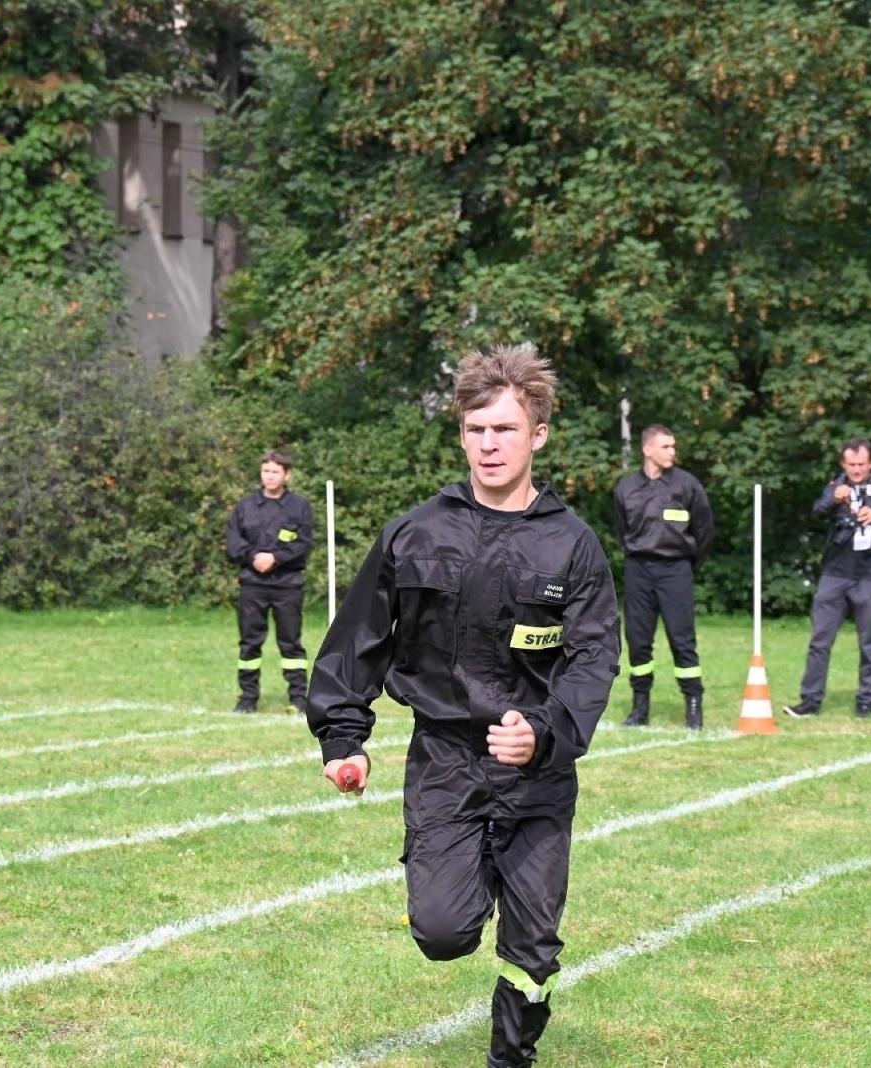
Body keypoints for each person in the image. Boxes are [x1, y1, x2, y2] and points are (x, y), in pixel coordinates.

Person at [305, 342, 619, 1068]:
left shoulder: (572, 547)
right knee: (443, 932)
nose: (489, 444)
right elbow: (357, 640)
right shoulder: (415, 532)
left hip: (536, 776)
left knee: (533, 942)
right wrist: (342, 737)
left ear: (537, 434)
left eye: (504, 429)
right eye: (476, 429)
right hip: (445, 761)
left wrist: (542, 733)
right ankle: (459, 862)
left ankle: (511, 1059)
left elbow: (592, 659)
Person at [783, 438, 871, 719]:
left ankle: (866, 702)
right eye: (851, 465)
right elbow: (817, 511)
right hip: (835, 574)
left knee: (868, 643)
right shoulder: (836, 486)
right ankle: (810, 701)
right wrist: (833, 500)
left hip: (870, 575)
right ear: (843, 464)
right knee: (819, 640)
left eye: (861, 464)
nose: (856, 470)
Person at [611, 424, 715, 729]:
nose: (673, 452)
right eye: (666, 446)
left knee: (682, 639)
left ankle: (693, 706)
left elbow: (706, 531)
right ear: (647, 449)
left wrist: (687, 566)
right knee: (638, 641)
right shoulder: (626, 488)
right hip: (638, 571)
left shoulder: (687, 485)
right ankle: (639, 707)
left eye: (673, 446)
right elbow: (621, 531)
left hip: (676, 570)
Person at [225, 450, 314, 714]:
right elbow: (233, 542)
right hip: (253, 583)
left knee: (290, 643)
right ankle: (247, 698)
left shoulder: (299, 507)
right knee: (250, 641)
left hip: (288, 584)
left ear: (287, 475)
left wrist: (275, 557)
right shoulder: (245, 507)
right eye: (266, 471)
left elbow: (304, 543)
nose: (270, 476)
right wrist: (254, 557)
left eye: (275, 471)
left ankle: (299, 698)